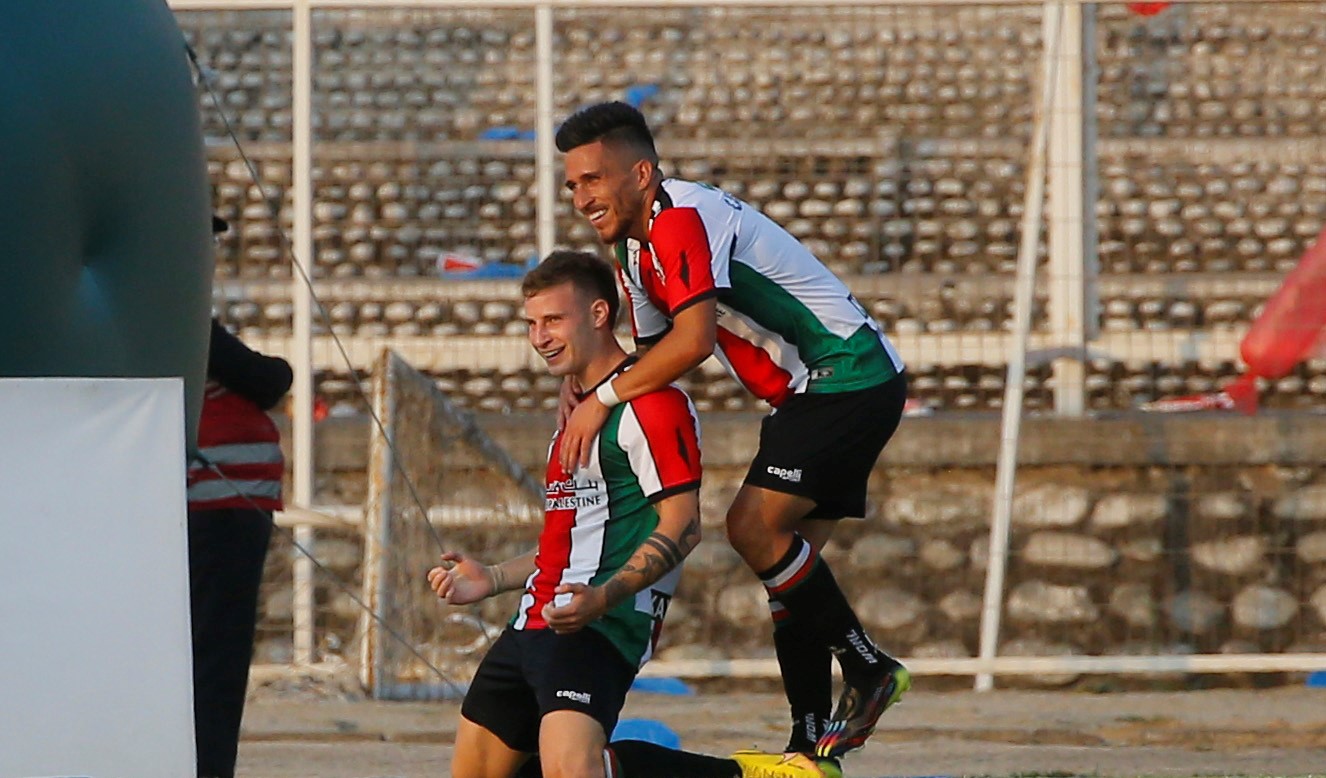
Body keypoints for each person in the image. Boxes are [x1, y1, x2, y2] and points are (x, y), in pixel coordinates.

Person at [554, 102, 911, 761]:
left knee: (751, 528)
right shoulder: (631, 247)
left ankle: (868, 669)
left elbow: (692, 342)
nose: (581, 198)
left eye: (594, 179)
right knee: (789, 574)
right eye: (573, 184)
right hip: (815, 391)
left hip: (846, 373)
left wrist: (601, 397)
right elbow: (655, 356)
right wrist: (586, 383)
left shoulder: (680, 218)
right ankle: (808, 749)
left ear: (641, 173)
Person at [428, 251, 835, 778]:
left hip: (600, 626)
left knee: (572, 769)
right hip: (531, 621)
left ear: (599, 314)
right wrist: (494, 577)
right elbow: (575, 541)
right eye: (531, 323)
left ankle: (747, 775)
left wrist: (603, 598)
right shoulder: (575, 411)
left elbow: (684, 526)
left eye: (553, 320)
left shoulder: (653, 406)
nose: (540, 337)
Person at [187, 225, 294, 778]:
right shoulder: (177, 313)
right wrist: (281, 371)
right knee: (217, 658)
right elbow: (265, 378)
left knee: (207, 653)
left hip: (219, 502)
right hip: (216, 506)